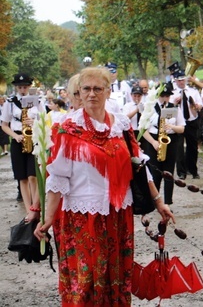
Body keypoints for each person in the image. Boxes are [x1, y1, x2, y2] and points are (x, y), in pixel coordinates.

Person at [33, 67, 174, 306]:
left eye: (97, 88)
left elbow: (139, 165)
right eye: (86, 89)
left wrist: (159, 202)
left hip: (118, 215)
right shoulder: (68, 129)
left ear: (108, 91)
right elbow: (58, 179)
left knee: (115, 277)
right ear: (78, 92)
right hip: (82, 217)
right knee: (86, 280)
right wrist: (46, 218)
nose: (91, 94)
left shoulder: (120, 125)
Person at [1, 74, 45, 221]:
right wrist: (15, 136)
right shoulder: (10, 102)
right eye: (20, 87)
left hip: (33, 138)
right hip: (18, 139)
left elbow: (45, 119)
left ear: (29, 87)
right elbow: (4, 125)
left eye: (25, 86)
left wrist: (34, 122)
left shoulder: (38, 101)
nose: (22, 89)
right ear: (16, 87)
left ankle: (35, 207)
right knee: (22, 178)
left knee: (33, 176)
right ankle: (28, 210)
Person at [142, 83, 186, 204]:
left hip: (170, 139)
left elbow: (182, 128)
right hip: (154, 140)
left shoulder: (174, 108)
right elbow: (143, 130)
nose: (165, 98)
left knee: (169, 173)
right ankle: (155, 201)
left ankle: (168, 202)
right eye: (162, 96)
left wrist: (171, 126)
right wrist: (153, 142)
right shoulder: (150, 108)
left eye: (167, 96)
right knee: (155, 174)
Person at [172, 69, 203, 179]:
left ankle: (193, 169)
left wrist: (197, 106)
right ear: (175, 80)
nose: (181, 82)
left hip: (191, 120)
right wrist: (174, 103)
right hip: (178, 122)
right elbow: (169, 107)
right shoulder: (172, 92)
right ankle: (181, 171)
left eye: (183, 80)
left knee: (192, 147)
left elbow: (200, 103)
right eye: (179, 80)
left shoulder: (192, 91)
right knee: (179, 148)